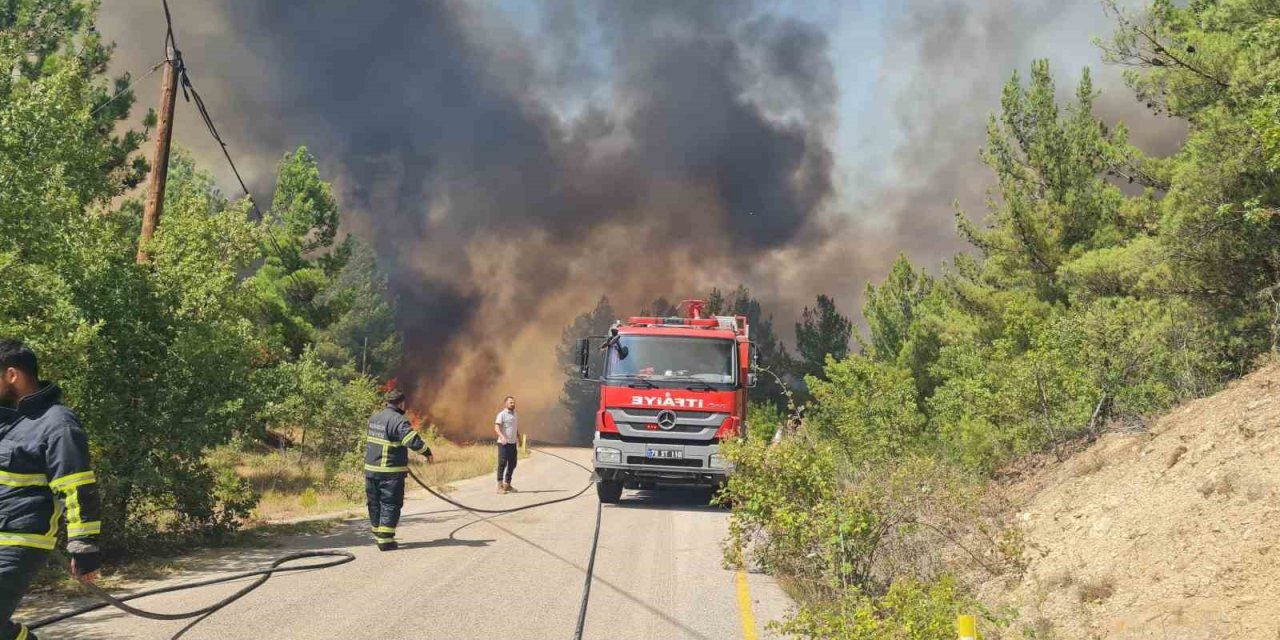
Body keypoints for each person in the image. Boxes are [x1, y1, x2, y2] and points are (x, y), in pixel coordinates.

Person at [0, 339, 102, 640]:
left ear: (12, 375)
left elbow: (76, 485)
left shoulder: (57, 423)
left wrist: (83, 545)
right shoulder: (7, 424)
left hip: (19, 543)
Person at [364, 389, 433, 551]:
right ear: (401, 403)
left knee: (374, 503)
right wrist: (427, 453)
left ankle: (378, 534)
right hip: (389, 472)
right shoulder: (398, 421)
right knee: (390, 503)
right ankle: (385, 540)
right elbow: (413, 441)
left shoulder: (375, 418)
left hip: (370, 470)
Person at [494, 396, 519, 494]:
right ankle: (499, 486)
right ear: (505, 404)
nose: (513, 404)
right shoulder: (502, 414)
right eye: (510, 402)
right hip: (503, 443)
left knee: (513, 464)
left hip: (513, 443)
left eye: (513, 402)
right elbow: (496, 427)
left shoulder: (515, 414)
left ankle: (507, 484)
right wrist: (502, 437)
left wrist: (519, 437)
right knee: (502, 463)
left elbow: (515, 427)